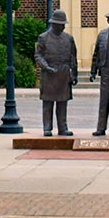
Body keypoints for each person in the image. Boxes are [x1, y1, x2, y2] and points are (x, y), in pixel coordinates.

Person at [34, 9, 78, 137]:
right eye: (61, 24)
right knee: (48, 103)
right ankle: (47, 128)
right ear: (54, 24)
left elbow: (73, 57)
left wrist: (74, 74)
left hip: (64, 74)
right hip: (49, 74)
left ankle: (63, 128)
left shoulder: (68, 38)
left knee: (62, 102)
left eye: (64, 24)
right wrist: (46, 67)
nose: (63, 26)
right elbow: (38, 55)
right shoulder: (43, 38)